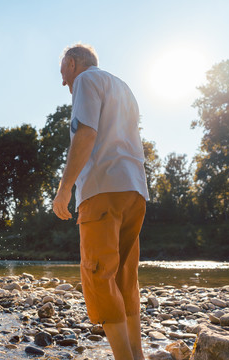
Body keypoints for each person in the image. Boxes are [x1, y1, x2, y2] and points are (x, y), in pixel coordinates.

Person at [52, 44, 149, 360]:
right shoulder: (122, 86)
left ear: (72, 63)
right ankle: (137, 354)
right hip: (135, 189)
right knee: (124, 276)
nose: (64, 81)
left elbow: (86, 134)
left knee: (98, 276)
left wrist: (65, 188)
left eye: (63, 72)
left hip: (102, 188)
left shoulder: (85, 80)